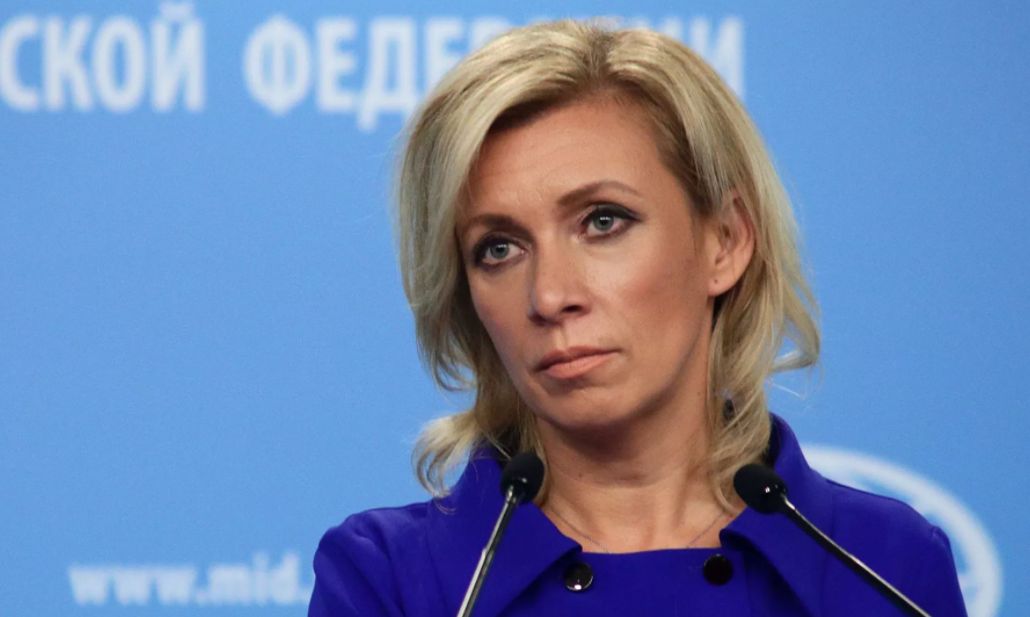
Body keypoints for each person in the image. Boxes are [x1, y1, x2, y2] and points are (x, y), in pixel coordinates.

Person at [309, 20, 967, 616]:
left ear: (726, 241)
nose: (549, 296)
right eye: (499, 248)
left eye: (603, 221)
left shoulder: (885, 566)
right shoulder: (388, 579)